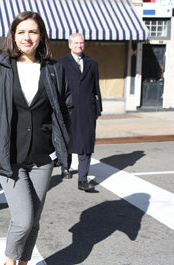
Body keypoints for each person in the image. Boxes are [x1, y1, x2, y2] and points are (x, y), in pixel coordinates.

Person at [0, 11, 72, 265]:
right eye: (21, 32)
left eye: (32, 31)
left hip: (43, 156)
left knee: (35, 220)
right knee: (23, 220)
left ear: (41, 36)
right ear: (13, 36)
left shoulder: (54, 69)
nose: (27, 37)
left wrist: (60, 139)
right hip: (10, 157)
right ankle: (9, 263)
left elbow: (66, 108)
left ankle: (24, 262)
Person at [57, 33, 102, 192]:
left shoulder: (92, 63)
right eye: (76, 43)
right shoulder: (61, 63)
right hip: (68, 109)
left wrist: (98, 108)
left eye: (81, 43)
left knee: (86, 144)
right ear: (70, 45)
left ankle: (83, 179)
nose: (79, 45)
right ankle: (65, 167)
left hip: (88, 110)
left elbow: (96, 87)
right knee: (67, 140)